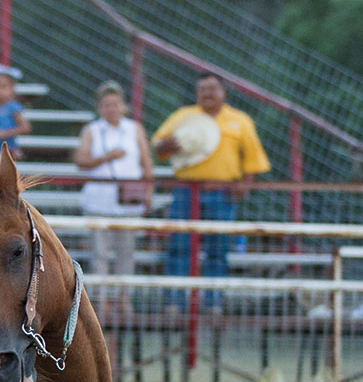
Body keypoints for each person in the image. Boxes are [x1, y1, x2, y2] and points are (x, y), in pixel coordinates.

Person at [153, 72, 270, 303]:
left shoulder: (240, 120)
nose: (207, 93)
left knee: (218, 249)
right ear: (197, 93)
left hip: (222, 193)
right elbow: (158, 145)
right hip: (186, 191)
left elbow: (253, 158)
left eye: (212, 88)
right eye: (202, 89)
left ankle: (213, 302)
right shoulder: (183, 116)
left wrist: (244, 185)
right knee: (179, 246)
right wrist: (164, 145)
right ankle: (174, 303)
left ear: (223, 92)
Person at [73, 81, 155, 307]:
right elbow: (81, 160)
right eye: (106, 104)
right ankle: (100, 301)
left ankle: (124, 299)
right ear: (100, 107)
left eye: (115, 104)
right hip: (100, 199)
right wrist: (106, 157)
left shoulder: (134, 128)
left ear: (123, 106)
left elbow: (146, 162)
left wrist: (149, 191)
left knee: (126, 253)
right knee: (99, 253)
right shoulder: (92, 130)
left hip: (129, 200)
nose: (111, 108)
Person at [0, 68, 28, 157]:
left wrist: (5, 133)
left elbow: (25, 127)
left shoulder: (13, 107)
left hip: (7, 149)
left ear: (12, 89)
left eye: (3, 87)